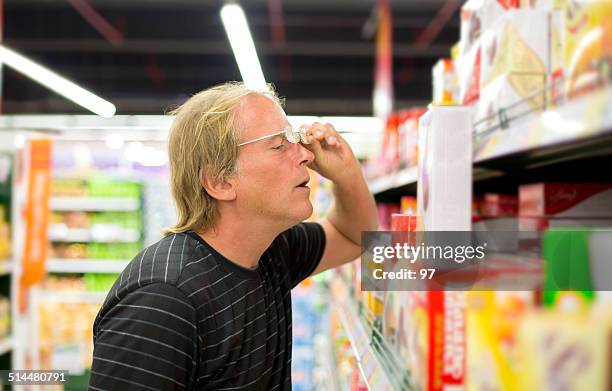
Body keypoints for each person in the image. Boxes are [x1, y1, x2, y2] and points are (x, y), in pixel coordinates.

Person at [88, 82, 378, 390]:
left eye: (294, 139)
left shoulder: (270, 251)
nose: (305, 155)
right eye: (279, 145)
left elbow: (354, 236)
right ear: (220, 182)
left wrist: (346, 173)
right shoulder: (164, 298)